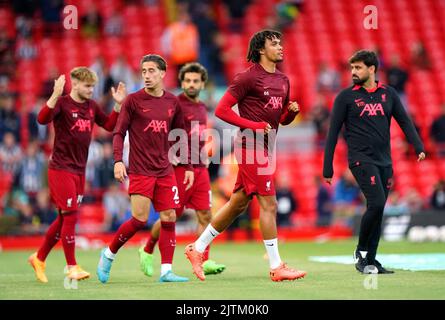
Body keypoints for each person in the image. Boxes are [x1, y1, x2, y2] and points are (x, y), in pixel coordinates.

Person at [183, 30, 306, 282]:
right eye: (274, 43)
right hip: (249, 145)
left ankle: (197, 249)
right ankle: (276, 266)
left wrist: (290, 114)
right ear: (261, 49)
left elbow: (277, 120)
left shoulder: (283, 79)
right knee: (269, 204)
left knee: (238, 203)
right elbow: (221, 109)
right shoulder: (247, 77)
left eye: (281, 42)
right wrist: (252, 125)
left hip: (265, 147)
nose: (280, 46)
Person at [323, 50, 426, 274]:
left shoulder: (388, 94)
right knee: (377, 203)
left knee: (378, 210)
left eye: (358, 68)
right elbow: (332, 133)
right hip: (361, 159)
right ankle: (360, 253)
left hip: (384, 161)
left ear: (372, 69)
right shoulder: (346, 97)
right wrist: (327, 166)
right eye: (352, 68)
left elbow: (405, 121)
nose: (353, 72)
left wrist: (417, 146)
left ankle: (371, 260)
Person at [96, 54, 194, 283]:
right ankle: (108, 254)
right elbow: (118, 132)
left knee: (169, 216)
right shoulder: (132, 101)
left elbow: (180, 135)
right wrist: (118, 160)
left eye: (151, 71)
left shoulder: (173, 102)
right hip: (141, 170)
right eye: (144, 71)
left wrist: (188, 165)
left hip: (165, 170)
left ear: (162, 73)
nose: (147, 75)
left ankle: (166, 271)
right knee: (139, 219)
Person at [27, 67, 126, 283]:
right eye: (88, 86)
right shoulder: (62, 103)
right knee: (71, 215)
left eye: (93, 86)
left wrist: (118, 104)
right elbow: (43, 119)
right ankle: (72, 266)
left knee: (64, 218)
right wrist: (55, 94)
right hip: (61, 168)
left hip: (80, 170)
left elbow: (109, 125)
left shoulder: (91, 106)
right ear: (75, 84)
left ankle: (39, 257)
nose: (91, 90)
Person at [139, 62, 226, 277]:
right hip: (179, 169)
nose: (191, 84)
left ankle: (203, 260)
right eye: (187, 80)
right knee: (172, 215)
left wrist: (204, 154)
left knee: (205, 214)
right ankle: (147, 248)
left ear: (202, 83)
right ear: (182, 82)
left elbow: (197, 136)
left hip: (200, 169)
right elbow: (160, 132)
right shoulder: (174, 104)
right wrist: (171, 155)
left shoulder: (202, 107)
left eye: (195, 81)